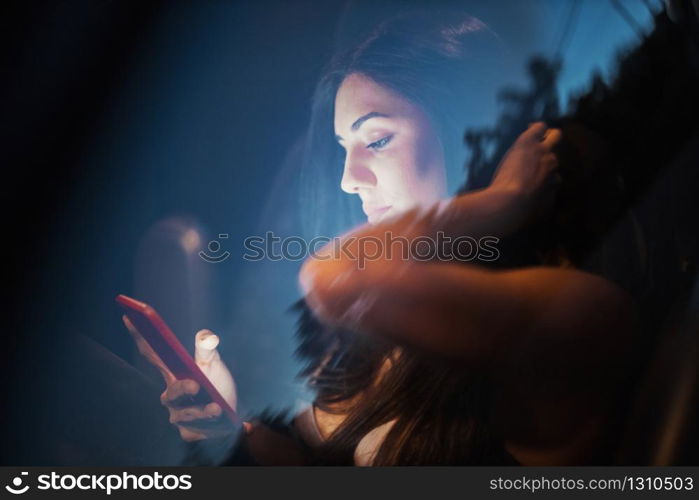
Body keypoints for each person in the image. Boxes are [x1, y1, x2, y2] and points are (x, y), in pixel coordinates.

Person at [124, 10, 640, 465]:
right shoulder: (377, 322)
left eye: (377, 139)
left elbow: (334, 275)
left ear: (473, 131)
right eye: (344, 146)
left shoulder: (574, 307)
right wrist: (228, 433)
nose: (349, 177)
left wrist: (499, 199)